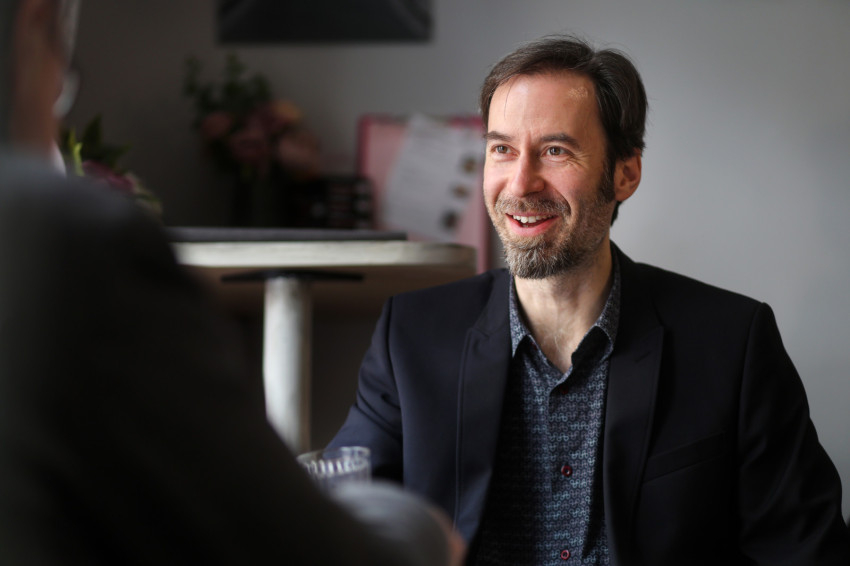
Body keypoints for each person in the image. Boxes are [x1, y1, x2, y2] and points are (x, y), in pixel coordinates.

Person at [329, 34, 850, 565]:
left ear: (625, 173)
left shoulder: (731, 343)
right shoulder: (412, 335)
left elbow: (806, 553)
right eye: (502, 149)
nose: (520, 184)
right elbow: (337, 522)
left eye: (555, 151)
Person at [0, 0, 465, 564]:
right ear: (34, 24)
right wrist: (419, 528)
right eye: (63, 77)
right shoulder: (69, 238)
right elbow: (287, 542)